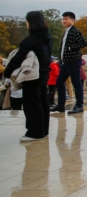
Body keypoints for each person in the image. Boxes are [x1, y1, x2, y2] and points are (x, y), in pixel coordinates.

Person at [3, 11, 52, 141]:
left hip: (32, 75)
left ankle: (35, 132)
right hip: (44, 73)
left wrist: (7, 72)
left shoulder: (30, 41)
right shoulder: (47, 38)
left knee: (32, 104)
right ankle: (43, 130)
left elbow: (18, 58)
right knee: (43, 102)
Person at [53, 11, 87, 114]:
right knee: (59, 82)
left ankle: (79, 105)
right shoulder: (67, 31)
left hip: (73, 62)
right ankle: (60, 105)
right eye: (63, 19)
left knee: (76, 84)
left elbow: (84, 43)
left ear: (72, 20)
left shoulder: (74, 31)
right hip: (65, 62)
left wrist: (70, 48)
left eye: (66, 19)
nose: (63, 21)